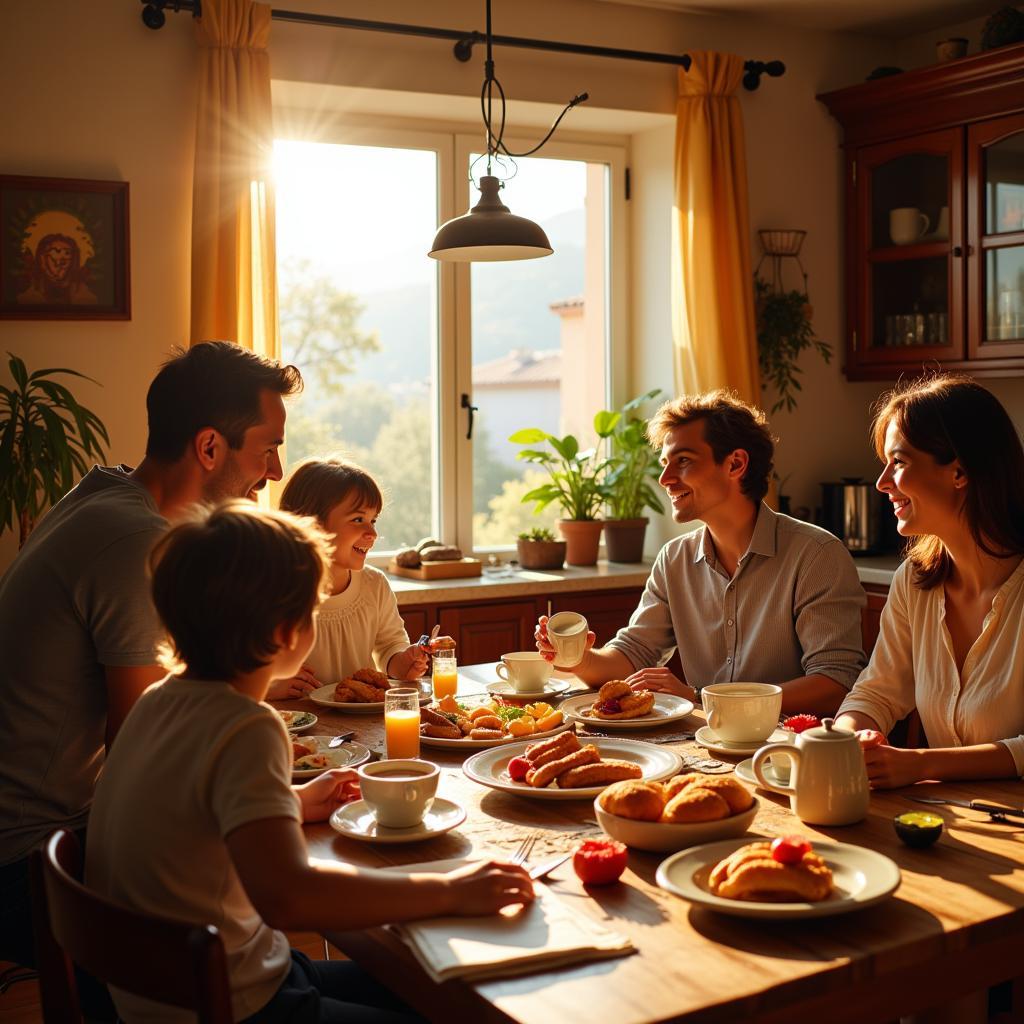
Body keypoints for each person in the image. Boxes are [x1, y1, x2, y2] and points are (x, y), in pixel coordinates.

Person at [85, 501, 533, 1023]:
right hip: (233, 1005)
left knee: (432, 984)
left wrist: (293, 801)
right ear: (284, 632)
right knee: (452, 1000)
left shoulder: (159, 701)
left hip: (171, 990)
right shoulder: (247, 726)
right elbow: (290, 898)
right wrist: (450, 889)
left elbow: (190, 812)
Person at [0, 341, 302, 989]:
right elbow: (143, 746)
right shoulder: (135, 543)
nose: (275, 471)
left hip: (55, 831)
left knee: (271, 952)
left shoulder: (106, 492)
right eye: (267, 448)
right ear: (210, 448)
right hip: (28, 859)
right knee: (257, 927)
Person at [536, 390, 866, 715]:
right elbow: (631, 655)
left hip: (787, 752)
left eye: (683, 461)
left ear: (736, 464)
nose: (665, 479)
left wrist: (700, 697)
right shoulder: (674, 559)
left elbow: (834, 684)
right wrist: (577, 656)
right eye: (665, 463)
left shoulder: (817, 555)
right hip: (706, 745)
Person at [835, 375, 1024, 789]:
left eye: (899, 462)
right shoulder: (915, 582)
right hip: (949, 821)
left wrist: (920, 764)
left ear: (959, 471)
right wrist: (851, 736)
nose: (883, 482)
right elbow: (877, 694)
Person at [277, 458, 428, 696]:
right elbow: (233, 671)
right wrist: (270, 686)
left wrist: (404, 664)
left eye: (373, 520)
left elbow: (390, 647)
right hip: (298, 724)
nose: (373, 533)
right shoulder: (271, 589)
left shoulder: (374, 585)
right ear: (312, 524)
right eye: (358, 519)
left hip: (359, 725)